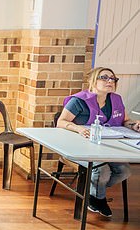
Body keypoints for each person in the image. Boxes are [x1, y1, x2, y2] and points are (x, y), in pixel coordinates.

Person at [57, 67, 140, 218]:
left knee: (125, 171)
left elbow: (125, 121)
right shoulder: (78, 101)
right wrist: (78, 128)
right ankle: (97, 199)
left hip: (108, 148)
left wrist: (134, 125)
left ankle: (92, 190)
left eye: (113, 79)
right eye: (105, 78)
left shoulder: (116, 100)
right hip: (81, 147)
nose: (110, 81)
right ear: (93, 81)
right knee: (103, 171)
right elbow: (61, 122)